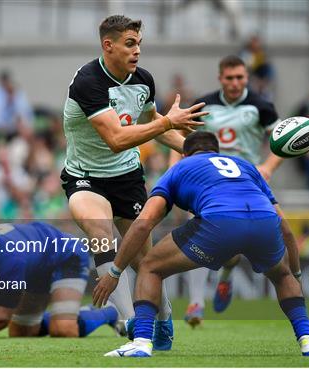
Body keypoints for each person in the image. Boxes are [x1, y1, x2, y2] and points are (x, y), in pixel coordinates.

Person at [94, 131, 309, 357]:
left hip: (220, 223)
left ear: (185, 154)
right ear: (216, 152)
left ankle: (142, 342)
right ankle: (308, 341)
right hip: (264, 221)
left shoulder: (180, 168)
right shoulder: (245, 166)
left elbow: (143, 224)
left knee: (149, 267)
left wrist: (115, 271)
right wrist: (296, 273)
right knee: (282, 276)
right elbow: (287, 230)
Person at [60, 14, 207, 350]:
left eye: (139, 43)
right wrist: (169, 122)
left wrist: (194, 150)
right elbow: (117, 138)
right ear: (107, 45)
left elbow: (150, 124)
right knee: (100, 230)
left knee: (145, 260)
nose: (137, 50)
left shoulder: (144, 81)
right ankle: (129, 324)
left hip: (127, 177)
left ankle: (164, 318)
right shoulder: (88, 82)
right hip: (85, 176)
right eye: (129, 43)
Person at [183, 55, 284, 326]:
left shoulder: (261, 106)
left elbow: (281, 142)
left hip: (245, 182)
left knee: (235, 247)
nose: (235, 83)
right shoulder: (203, 105)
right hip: (208, 181)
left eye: (240, 77)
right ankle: (195, 303)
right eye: (229, 78)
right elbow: (186, 141)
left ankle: (226, 274)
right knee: (196, 232)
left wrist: (268, 168)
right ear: (220, 78)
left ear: (247, 78)